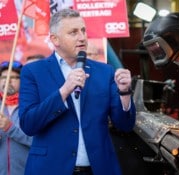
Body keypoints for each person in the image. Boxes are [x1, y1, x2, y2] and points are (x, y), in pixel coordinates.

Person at [18, 8, 136, 175]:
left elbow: (125, 125)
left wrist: (125, 93)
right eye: (73, 32)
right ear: (55, 39)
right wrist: (64, 91)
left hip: (99, 168)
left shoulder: (105, 72)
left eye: (83, 30)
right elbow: (29, 124)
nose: (82, 37)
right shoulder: (33, 72)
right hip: (50, 168)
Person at [0, 60, 32, 175]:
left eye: (13, 77)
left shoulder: (31, 106)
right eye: (3, 77)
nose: (8, 80)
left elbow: (37, 141)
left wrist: (10, 128)